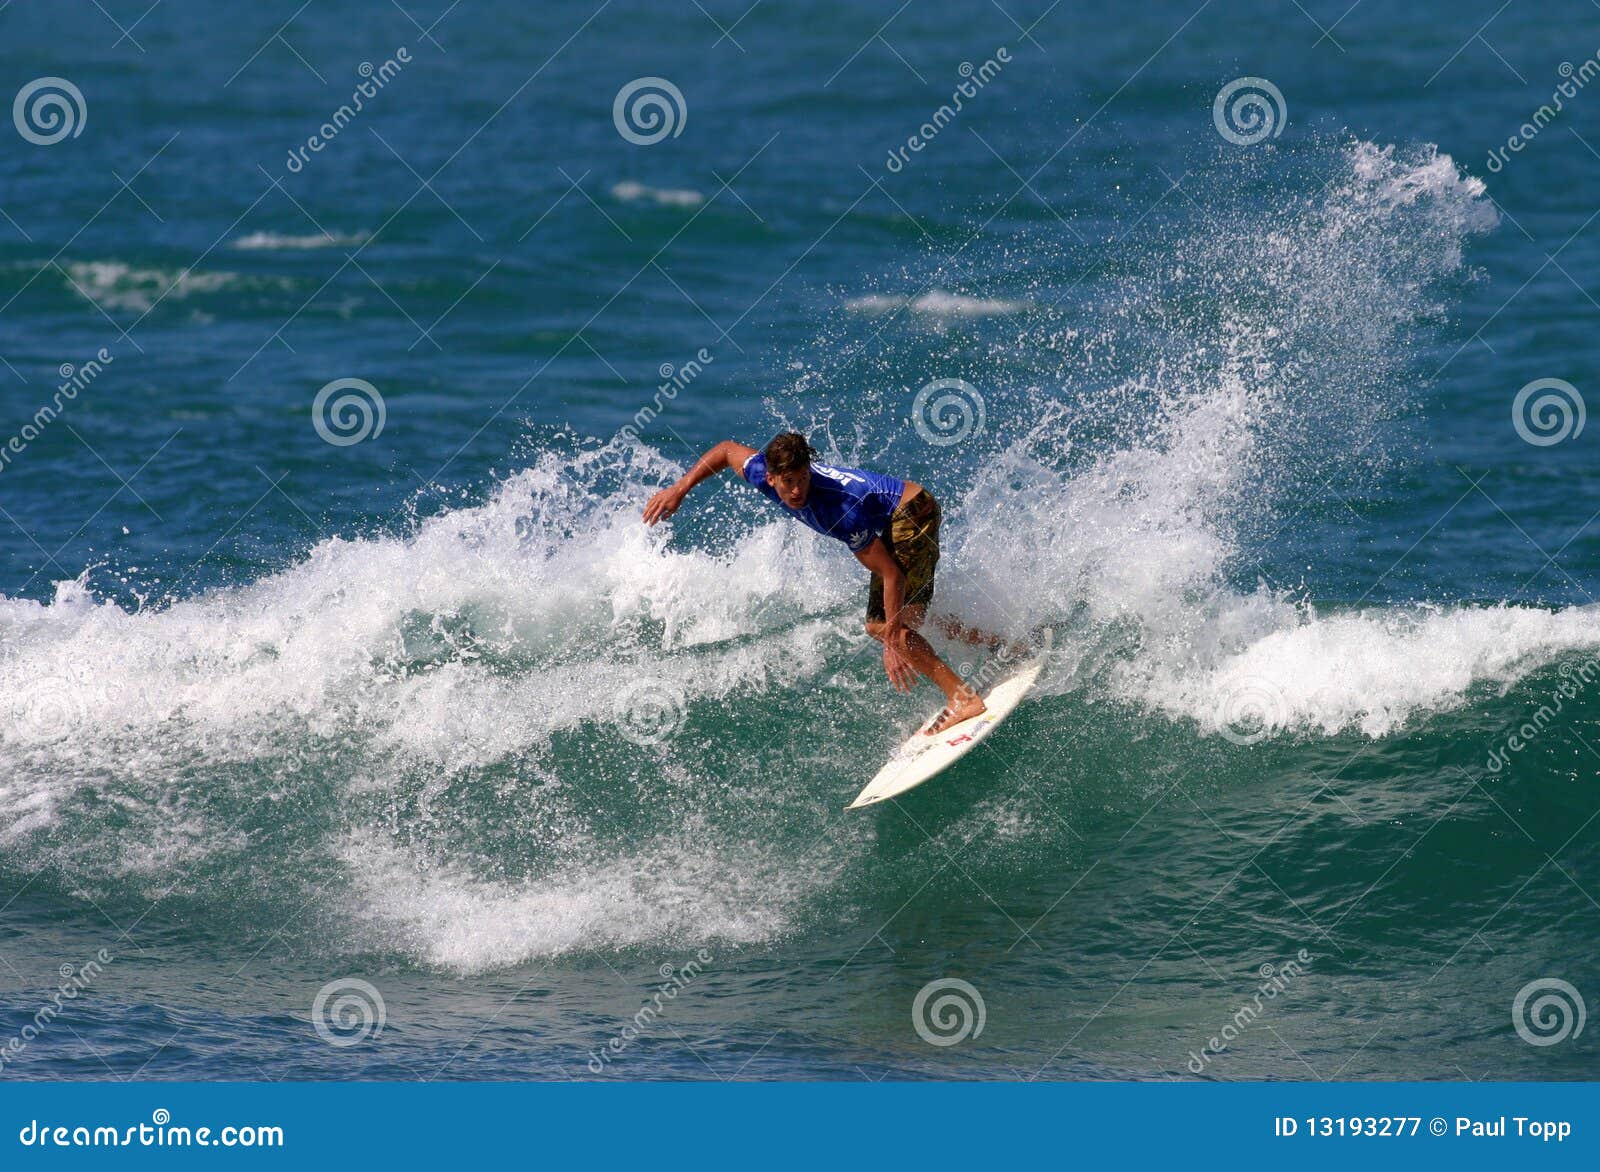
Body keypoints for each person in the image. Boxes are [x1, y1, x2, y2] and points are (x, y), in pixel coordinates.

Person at [643, 432, 989, 734]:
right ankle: (995, 643)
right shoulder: (759, 471)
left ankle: (963, 700)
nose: (797, 490)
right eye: (789, 481)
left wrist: (891, 643)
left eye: (803, 479)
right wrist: (679, 489)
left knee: (886, 627)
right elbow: (726, 449)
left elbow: (891, 574)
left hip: (912, 514)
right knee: (906, 620)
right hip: (902, 509)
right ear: (771, 477)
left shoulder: (838, 509)